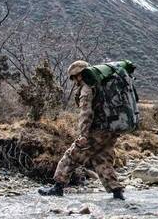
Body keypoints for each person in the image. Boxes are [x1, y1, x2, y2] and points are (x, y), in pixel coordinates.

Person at [38, 60, 125, 199]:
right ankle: (117, 192)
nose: (74, 81)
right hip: (110, 131)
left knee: (71, 156)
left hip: (96, 131)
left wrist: (83, 134)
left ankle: (57, 187)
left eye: (74, 77)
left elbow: (86, 113)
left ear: (79, 75)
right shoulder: (102, 85)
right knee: (102, 159)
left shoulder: (87, 88)